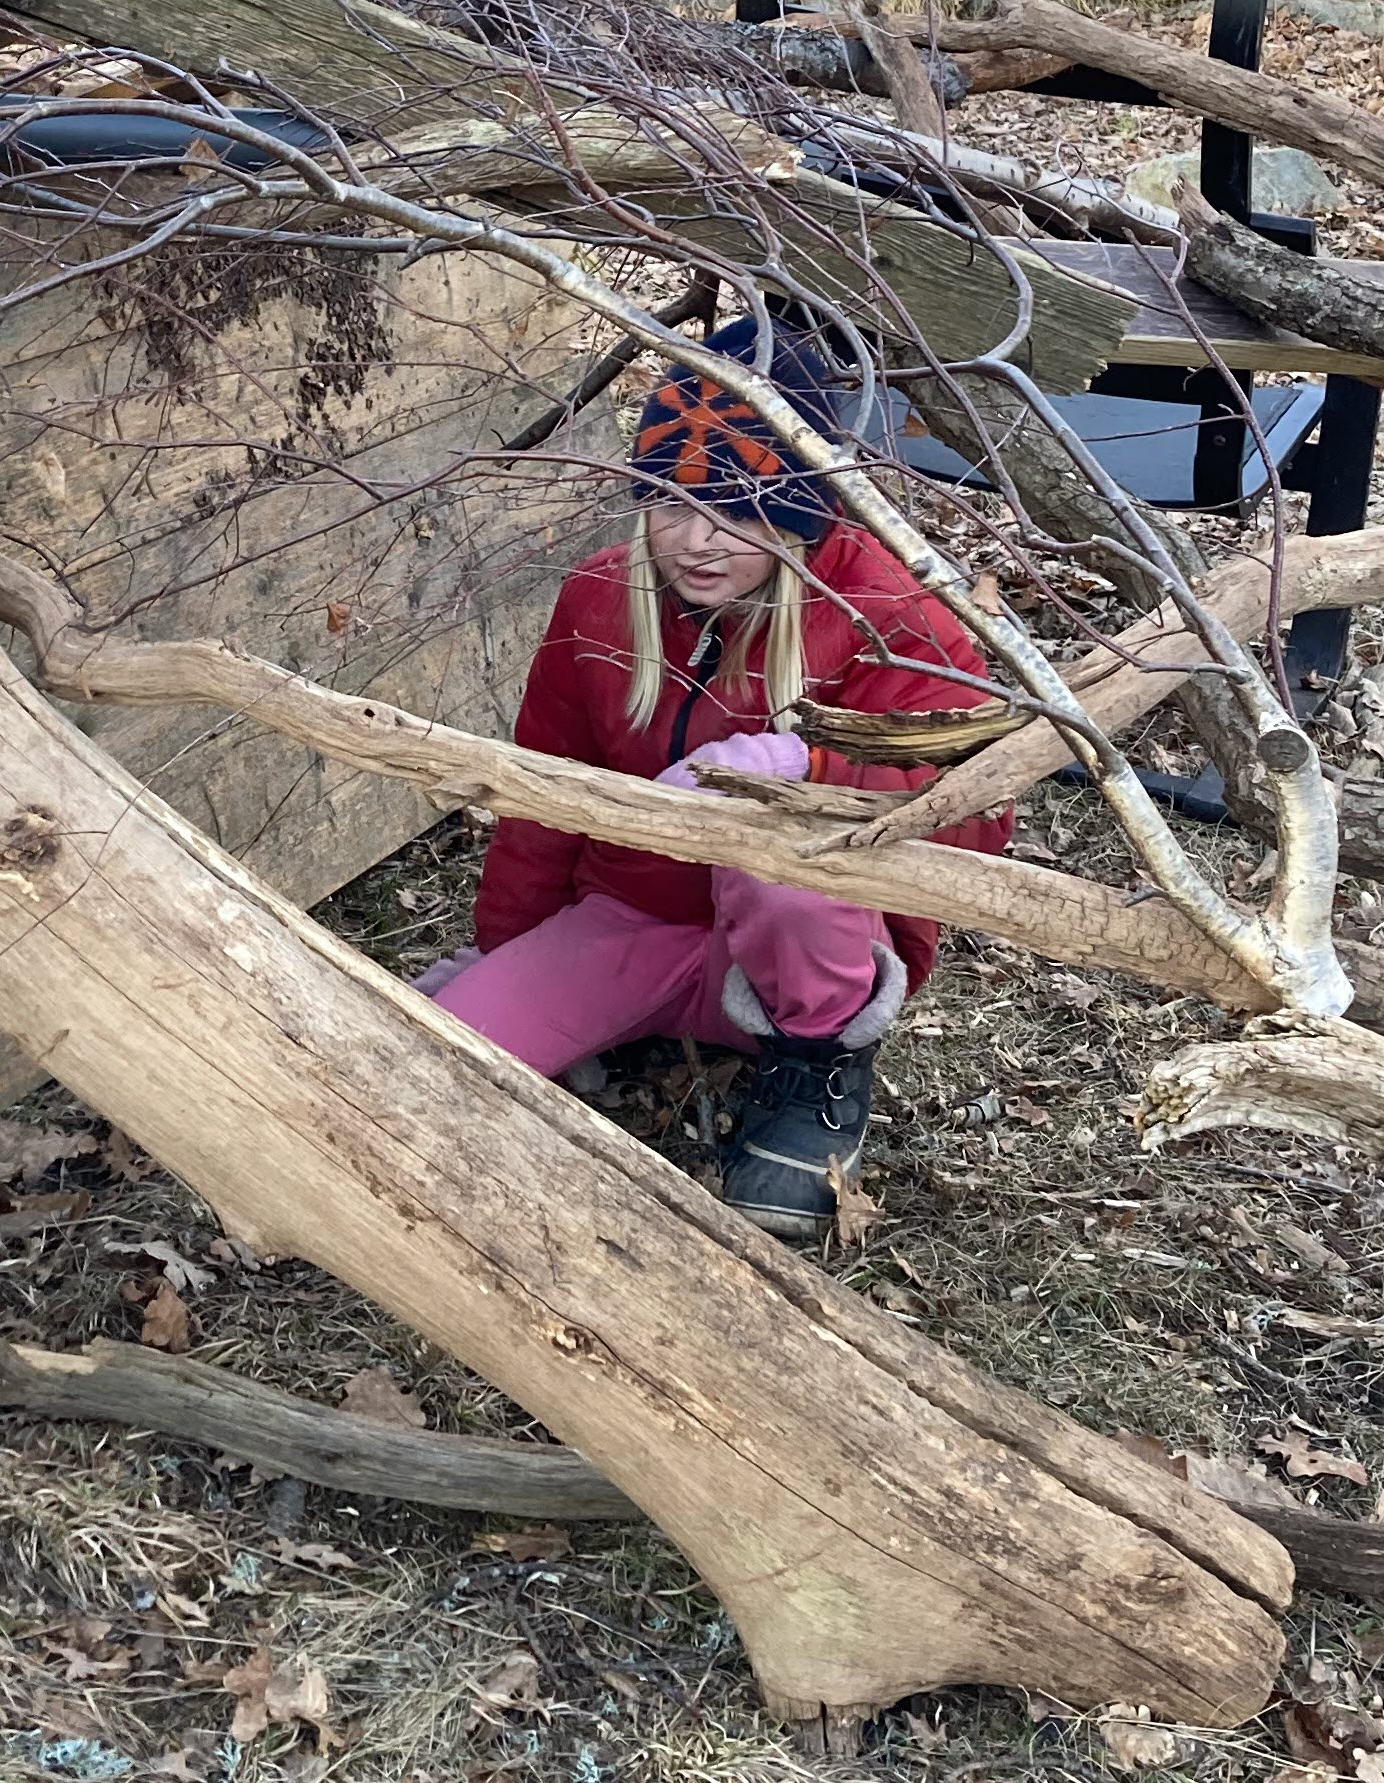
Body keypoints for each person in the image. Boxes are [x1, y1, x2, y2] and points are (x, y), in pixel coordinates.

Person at [422, 318, 1012, 1240]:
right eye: (669, 503)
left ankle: (819, 1066)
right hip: (635, 919)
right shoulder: (599, 598)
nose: (697, 541)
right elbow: (545, 796)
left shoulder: (892, 613)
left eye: (740, 510)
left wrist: (808, 767)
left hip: (806, 948)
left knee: (772, 851)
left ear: (803, 508)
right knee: (440, 1054)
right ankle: (621, 1014)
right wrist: (506, 945)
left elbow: (971, 812)